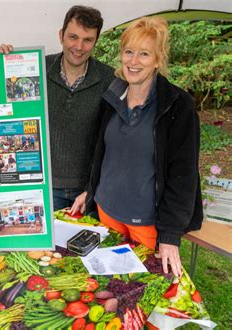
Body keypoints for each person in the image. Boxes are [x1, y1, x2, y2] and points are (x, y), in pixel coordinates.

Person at [71, 17, 203, 277]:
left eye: (144, 54)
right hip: (106, 213)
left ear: (158, 59)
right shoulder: (111, 96)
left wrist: (170, 234)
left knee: (141, 291)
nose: (133, 61)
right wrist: (90, 189)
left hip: (147, 224)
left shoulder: (178, 106)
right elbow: (100, 152)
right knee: (110, 285)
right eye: (129, 52)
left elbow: (183, 175)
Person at [0, 5, 115, 210]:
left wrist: (93, 188)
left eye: (87, 40)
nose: (79, 46)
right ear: (61, 35)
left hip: (89, 190)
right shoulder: (35, 68)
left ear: (96, 41)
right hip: (44, 186)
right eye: (73, 37)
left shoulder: (109, 79)